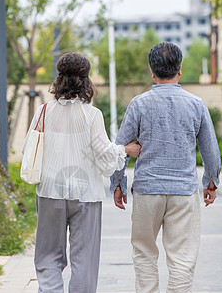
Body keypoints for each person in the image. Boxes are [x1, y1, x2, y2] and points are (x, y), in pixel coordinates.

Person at [23, 52, 141, 293]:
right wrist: (124, 150)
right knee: (84, 260)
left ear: (59, 79)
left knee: (47, 257)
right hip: (86, 194)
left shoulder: (44, 111)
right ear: (87, 81)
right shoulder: (92, 115)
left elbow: (29, 149)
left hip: (49, 191)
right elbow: (104, 156)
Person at [110, 42, 221, 292]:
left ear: (152, 71)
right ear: (180, 69)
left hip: (148, 190)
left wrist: (118, 184)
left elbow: (120, 147)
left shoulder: (138, 104)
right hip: (183, 191)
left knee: (144, 253)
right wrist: (211, 183)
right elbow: (210, 151)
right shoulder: (197, 104)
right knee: (182, 258)